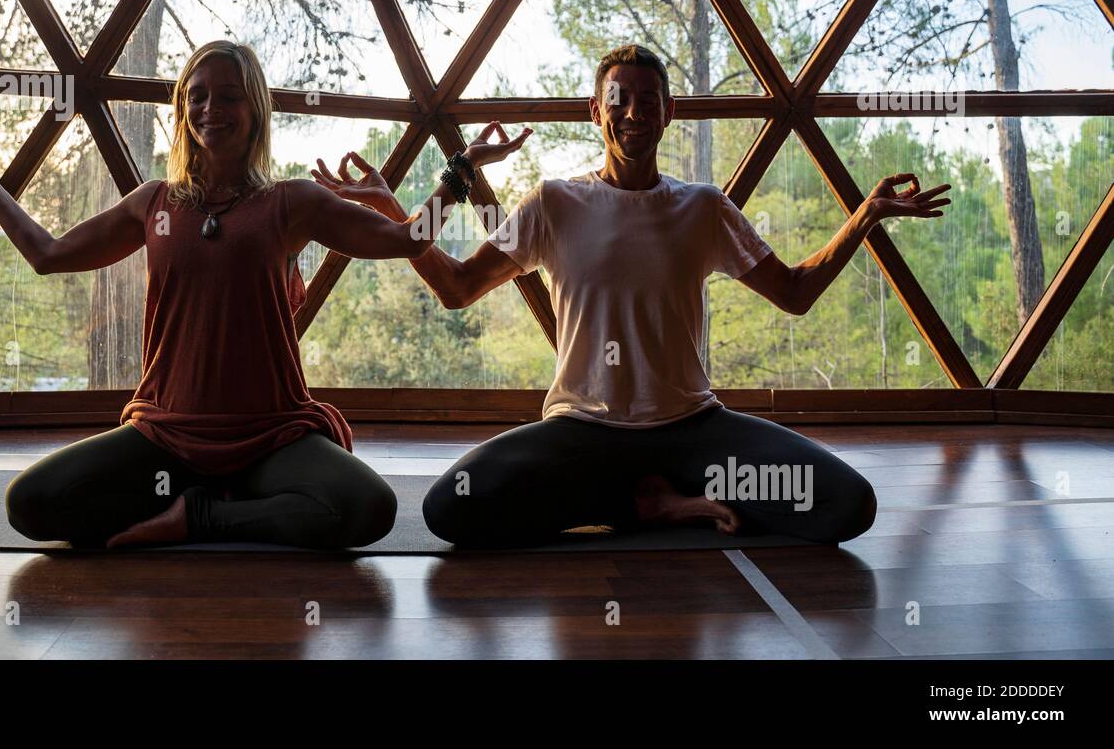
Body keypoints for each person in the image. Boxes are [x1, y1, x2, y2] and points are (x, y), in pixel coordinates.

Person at [314, 43, 952, 548]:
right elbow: (455, 287)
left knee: (847, 504)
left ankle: (643, 498)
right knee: (451, 505)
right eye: (618, 98)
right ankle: (648, 504)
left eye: (650, 99)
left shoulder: (703, 208)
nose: (635, 109)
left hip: (696, 436)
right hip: (582, 437)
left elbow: (794, 292)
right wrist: (418, 197)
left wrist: (865, 216)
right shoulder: (556, 203)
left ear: (668, 112)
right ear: (597, 112)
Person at [0, 40, 529, 550]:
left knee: (368, 508)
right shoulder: (154, 203)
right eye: (199, 96)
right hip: (165, 435)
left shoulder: (291, 203)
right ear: (185, 109)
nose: (212, 108)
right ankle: (220, 503)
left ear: (256, 109)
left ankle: (200, 516)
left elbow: (406, 240)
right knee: (30, 504)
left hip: (270, 437)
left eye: (229, 96)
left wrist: (462, 168)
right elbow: (49, 255)